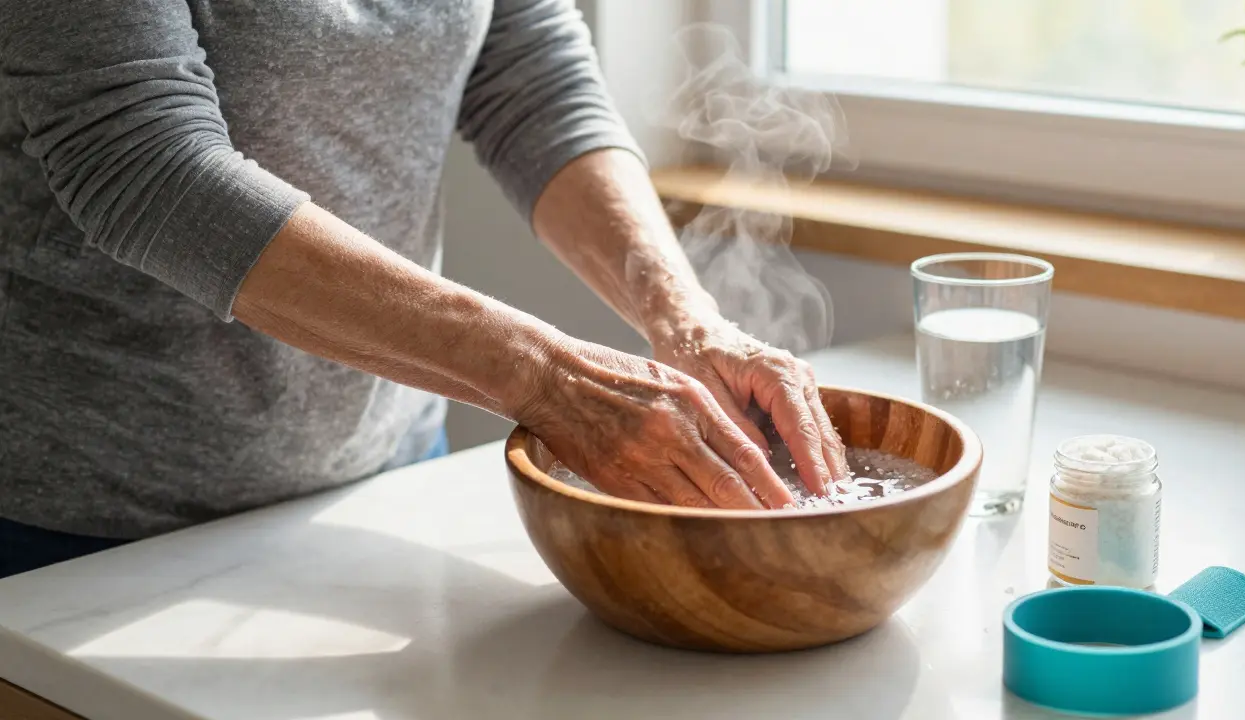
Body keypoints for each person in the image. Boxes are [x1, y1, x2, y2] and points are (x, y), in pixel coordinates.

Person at [0, 0, 848, 579]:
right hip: (84, 526)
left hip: (386, 477)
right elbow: (139, 162)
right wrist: (547, 377)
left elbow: (532, 82)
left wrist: (689, 322)